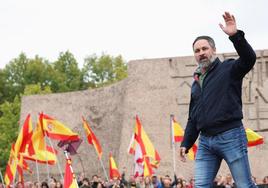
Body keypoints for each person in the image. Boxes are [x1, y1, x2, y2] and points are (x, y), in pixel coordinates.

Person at [179, 11, 257, 188]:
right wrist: (186, 142)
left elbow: (249, 59)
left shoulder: (229, 69)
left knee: (244, 184)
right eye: (197, 51)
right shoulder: (196, 83)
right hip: (206, 142)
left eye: (205, 49)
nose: (201, 53)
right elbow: (193, 117)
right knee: (200, 186)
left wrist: (236, 36)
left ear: (213, 50)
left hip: (231, 136)